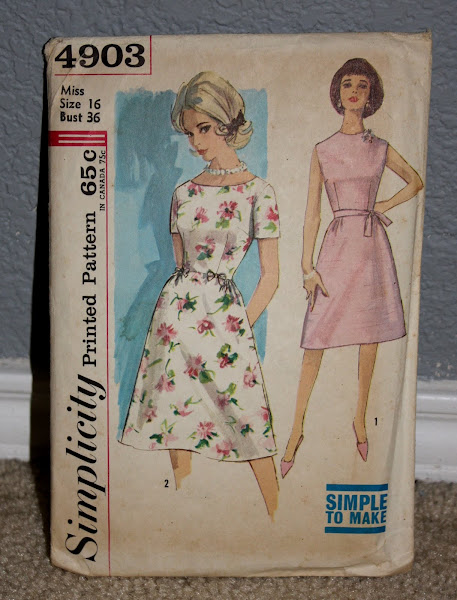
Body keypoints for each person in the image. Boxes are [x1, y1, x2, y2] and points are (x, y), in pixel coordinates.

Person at [120, 72, 280, 518]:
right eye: (190, 133)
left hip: (226, 321)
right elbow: (181, 265)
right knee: (176, 421)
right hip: (175, 317)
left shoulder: (259, 192)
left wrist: (239, 326)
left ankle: (277, 516)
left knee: (248, 425)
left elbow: (271, 277)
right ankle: (183, 512)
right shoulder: (183, 193)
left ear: (227, 124)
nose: (196, 142)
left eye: (204, 129)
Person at [281, 58, 423, 477]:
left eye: (362, 85)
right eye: (347, 84)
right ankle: (296, 429)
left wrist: (384, 204)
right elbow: (312, 213)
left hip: (371, 244)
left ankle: (360, 418)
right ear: (338, 93)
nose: (355, 91)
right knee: (316, 338)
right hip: (337, 245)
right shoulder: (323, 150)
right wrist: (307, 267)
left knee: (369, 334)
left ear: (371, 94)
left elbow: (415, 181)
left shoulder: (379, 147)